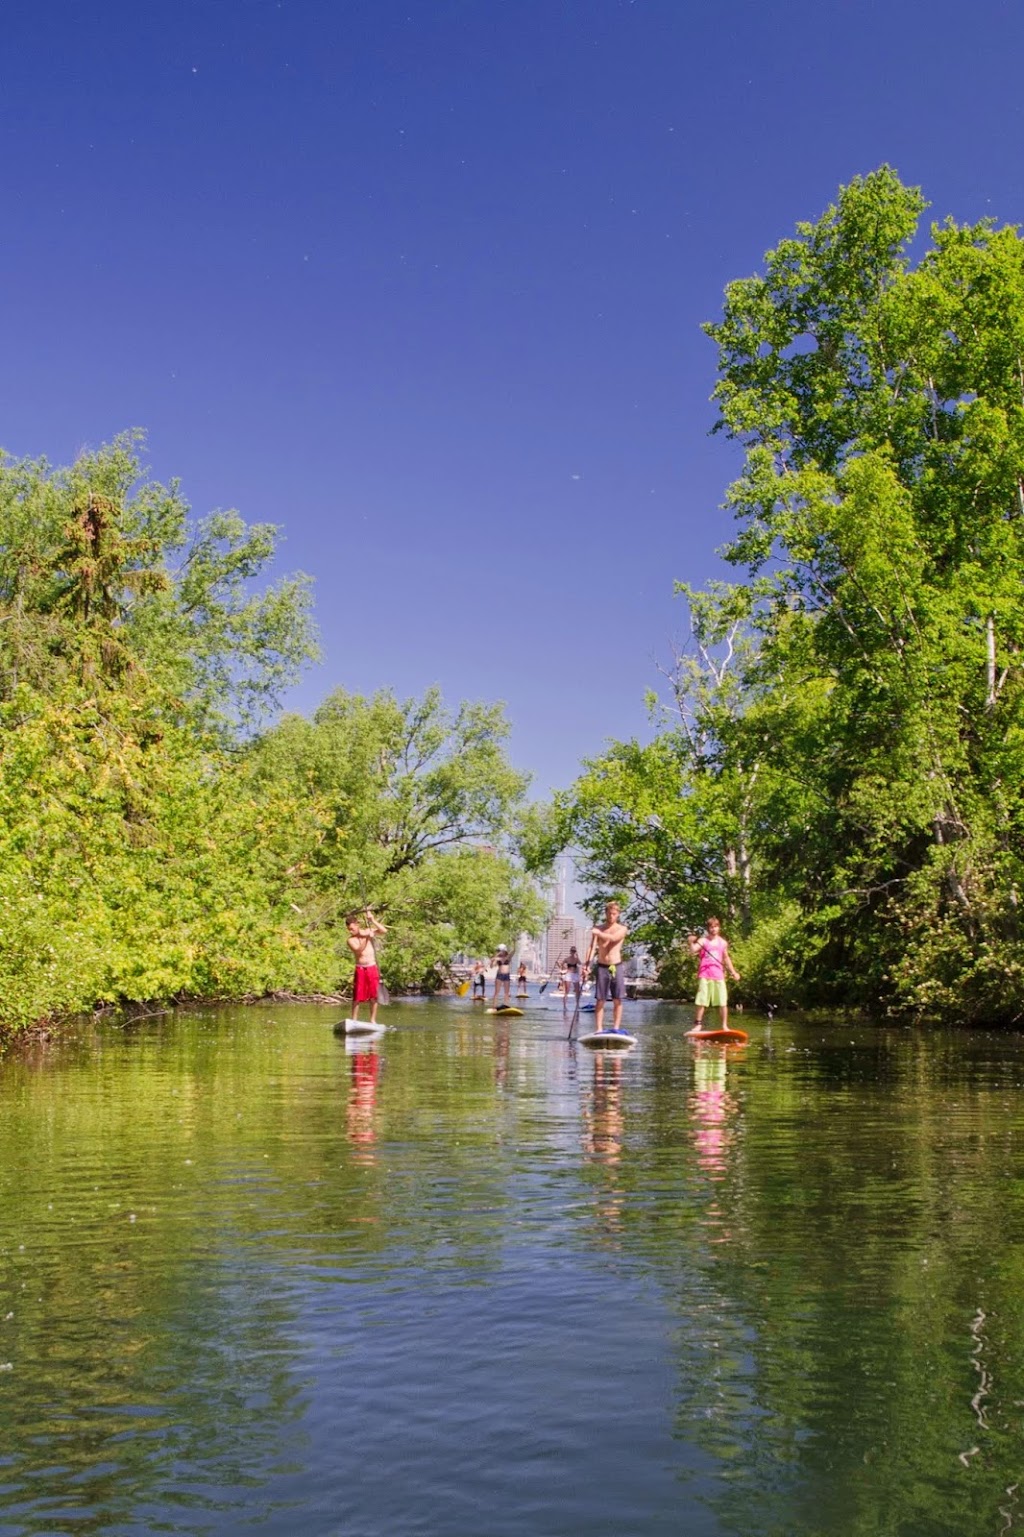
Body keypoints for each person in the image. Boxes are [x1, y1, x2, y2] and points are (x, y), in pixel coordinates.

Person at [687, 917, 740, 1034]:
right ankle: (698, 1025)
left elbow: (726, 958)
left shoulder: (723, 943)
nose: (713, 929)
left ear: (719, 928)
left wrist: (733, 972)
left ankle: (724, 1026)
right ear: (708, 928)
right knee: (702, 1001)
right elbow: (693, 951)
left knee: (722, 1002)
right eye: (711, 927)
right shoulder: (703, 941)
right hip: (705, 975)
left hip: (719, 975)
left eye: (715, 926)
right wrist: (691, 942)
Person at [583, 902, 629, 1033]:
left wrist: (597, 932)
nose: (611, 916)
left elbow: (614, 938)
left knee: (617, 999)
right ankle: (598, 1029)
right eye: (609, 913)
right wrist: (587, 965)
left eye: (614, 914)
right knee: (600, 999)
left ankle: (616, 1028)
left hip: (616, 965)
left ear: (618, 915)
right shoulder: (599, 928)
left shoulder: (622, 929)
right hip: (602, 966)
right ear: (606, 913)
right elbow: (592, 947)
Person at [346, 909, 388, 1025]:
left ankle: (372, 1021)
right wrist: (367, 938)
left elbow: (384, 930)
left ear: (357, 925)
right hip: (360, 968)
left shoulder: (367, 931)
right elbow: (358, 951)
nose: (351, 931)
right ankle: (354, 1020)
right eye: (349, 929)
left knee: (373, 996)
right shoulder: (350, 940)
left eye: (352, 928)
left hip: (372, 967)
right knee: (357, 996)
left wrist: (372, 920)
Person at [560, 945, 583, 1012]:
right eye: (572, 951)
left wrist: (577, 956)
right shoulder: (567, 959)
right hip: (569, 974)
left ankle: (577, 1005)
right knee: (567, 991)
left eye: (574, 951)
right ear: (570, 951)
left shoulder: (576, 959)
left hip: (575, 975)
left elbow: (580, 963)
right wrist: (564, 969)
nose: (573, 952)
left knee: (577, 991)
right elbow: (561, 964)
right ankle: (564, 1006)